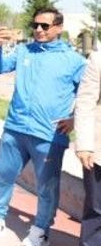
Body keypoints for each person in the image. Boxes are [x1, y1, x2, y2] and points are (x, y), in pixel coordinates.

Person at [0, 8, 86, 246]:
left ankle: (40, 229)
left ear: (59, 28)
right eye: (35, 25)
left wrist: (75, 120)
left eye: (45, 26)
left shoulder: (74, 61)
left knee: (46, 187)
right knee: (4, 176)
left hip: (49, 134)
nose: (38, 30)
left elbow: (90, 96)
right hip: (15, 128)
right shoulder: (24, 50)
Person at [72, 50, 101, 245]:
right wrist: (83, 144)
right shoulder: (98, 59)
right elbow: (85, 102)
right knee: (97, 209)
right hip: (98, 151)